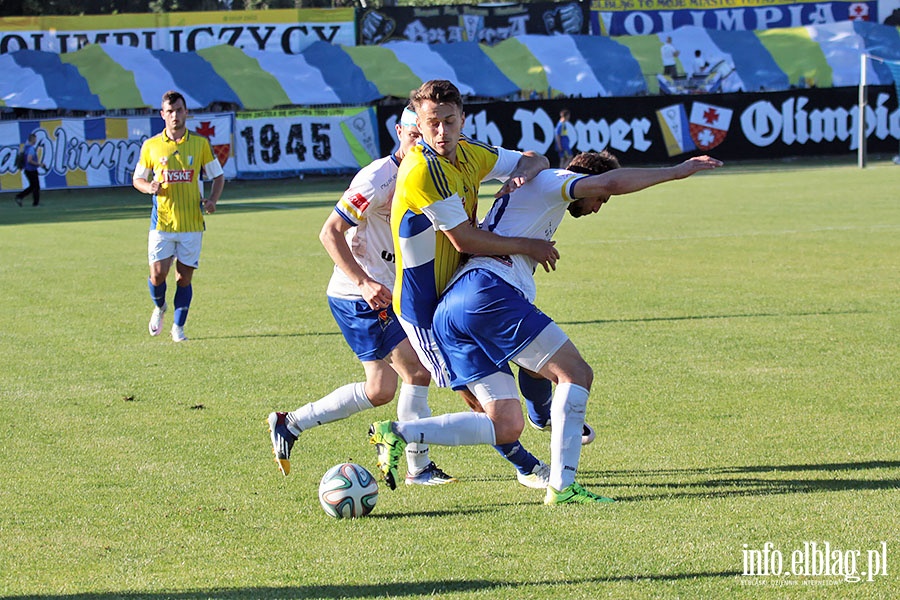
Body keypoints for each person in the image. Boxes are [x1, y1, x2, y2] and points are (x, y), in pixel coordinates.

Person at [370, 151, 724, 505]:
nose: (599, 206)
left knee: (505, 423)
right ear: (585, 182)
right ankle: (563, 486)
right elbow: (610, 180)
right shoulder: (555, 182)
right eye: (600, 199)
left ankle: (400, 431)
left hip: (454, 307)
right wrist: (677, 171)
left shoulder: (537, 188)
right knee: (576, 373)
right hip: (489, 292)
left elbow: (531, 159)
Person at [377, 79, 559, 490]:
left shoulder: (471, 153)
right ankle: (525, 465)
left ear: (463, 119)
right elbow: (466, 239)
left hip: (459, 291)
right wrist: (528, 244)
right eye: (431, 124)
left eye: (449, 121)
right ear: (417, 126)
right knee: (479, 400)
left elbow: (534, 158)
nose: (441, 132)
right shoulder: (423, 169)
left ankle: (524, 452)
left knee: (493, 396)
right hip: (425, 307)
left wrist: (520, 175)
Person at [266, 107, 455, 485]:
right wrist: (364, 282)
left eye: (427, 132)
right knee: (418, 372)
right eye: (413, 134)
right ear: (400, 131)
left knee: (380, 389)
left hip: (394, 290)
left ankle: (291, 423)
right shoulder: (378, 179)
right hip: (360, 294)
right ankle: (418, 466)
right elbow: (330, 232)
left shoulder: (429, 172)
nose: (420, 141)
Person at [133, 90, 225, 342]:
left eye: (179, 110)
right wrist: (148, 187)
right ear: (163, 115)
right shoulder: (151, 146)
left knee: (183, 278)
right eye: (170, 111)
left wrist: (213, 200)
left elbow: (217, 176)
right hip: (162, 222)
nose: (175, 116)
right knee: (157, 275)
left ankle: (178, 328)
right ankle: (160, 306)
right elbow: (137, 179)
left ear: (186, 113)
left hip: (191, 223)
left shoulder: (200, 144)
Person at [14, 133, 45, 207]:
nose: (35, 141)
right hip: (31, 170)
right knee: (36, 187)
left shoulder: (26, 147)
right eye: (35, 139)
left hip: (27, 170)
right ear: (33, 139)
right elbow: (29, 160)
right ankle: (35, 203)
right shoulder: (31, 149)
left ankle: (19, 197)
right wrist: (39, 164)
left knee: (33, 186)